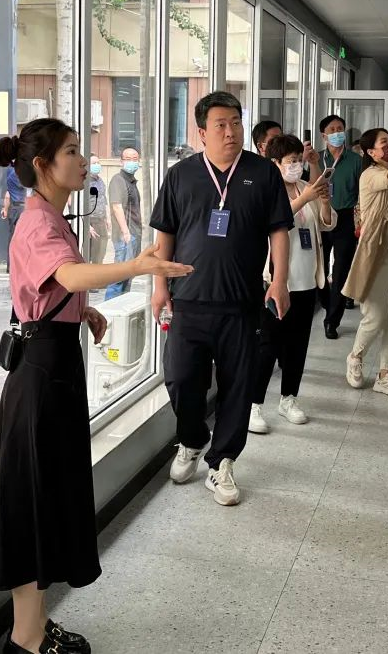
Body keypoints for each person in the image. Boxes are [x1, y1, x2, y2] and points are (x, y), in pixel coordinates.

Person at [0, 118, 191, 654]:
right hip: (40, 378)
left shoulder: (51, 216)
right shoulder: (37, 221)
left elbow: (50, 289)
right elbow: (69, 276)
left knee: (48, 497)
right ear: (42, 165)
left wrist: (83, 312)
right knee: (34, 501)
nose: (83, 160)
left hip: (53, 366)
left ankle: (33, 625)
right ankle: (25, 638)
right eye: (72, 152)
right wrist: (138, 265)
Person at [151, 91, 293, 507]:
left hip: (241, 303)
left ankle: (222, 461)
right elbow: (165, 233)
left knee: (238, 385)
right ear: (202, 132)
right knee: (181, 379)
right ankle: (193, 440)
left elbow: (279, 231)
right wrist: (159, 286)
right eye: (220, 125)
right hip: (188, 299)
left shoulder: (262, 173)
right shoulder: (181, 175)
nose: (230, 132)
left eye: (235, 123)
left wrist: (279, 281)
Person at [249, 135, 336, 434]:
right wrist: (307, 198)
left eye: (299, 160)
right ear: (275, 163)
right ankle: (253, 404)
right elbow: (273, 223)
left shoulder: (304, 187)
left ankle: (289, 398)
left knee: (298, 345)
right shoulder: (264, 191)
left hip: (306, 280)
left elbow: (326, 223)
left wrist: (324, 201)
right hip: (276, 281)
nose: (297, 165)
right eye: (291, 161)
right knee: (268, 345)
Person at [342, 128, 388, 398]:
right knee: (376, 316)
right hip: (376, 255)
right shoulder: (370, 175)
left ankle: (385, 374)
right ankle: (355, 356)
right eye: (383, 143)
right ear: (370, 152)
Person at [317, 114, 363, 340]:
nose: (337, 133)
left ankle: (332, 320)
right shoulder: (316, 159)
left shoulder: (355, 160)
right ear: (324, 135)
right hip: (321, 217)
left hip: (345, 218)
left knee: (341, 269)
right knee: (320, 267)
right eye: (332, 130)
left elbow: (362, 193)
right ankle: (327, 304)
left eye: (340, 129)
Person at [105, 148, 143, 298]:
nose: (132, 162)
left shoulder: (131, 181)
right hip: (125, 236)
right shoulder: (118, 180)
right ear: (121, 161)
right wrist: (126, 232)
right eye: (128, 159)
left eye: (135, 159)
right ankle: (109, 306)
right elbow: (116, 206)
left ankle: (121, 302)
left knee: (128, 275)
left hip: (134, 233)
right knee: (118, 276)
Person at [86, 155, 108, 264]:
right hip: (91, 221)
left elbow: (103, 199)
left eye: (98, 163)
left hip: (101, 221)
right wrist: (87, 226)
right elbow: (79, 206)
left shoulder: (100, 181)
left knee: (101, 252)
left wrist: (107, 219)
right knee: (93, 254)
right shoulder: (85, 182)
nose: (97, 165)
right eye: (94, 163)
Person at [1, 166, 28, 236]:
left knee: (13, 234)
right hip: (26, 208)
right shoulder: (25, 174)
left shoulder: (11, 174)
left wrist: (5, 209)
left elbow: (7, 196)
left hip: (16, 209)